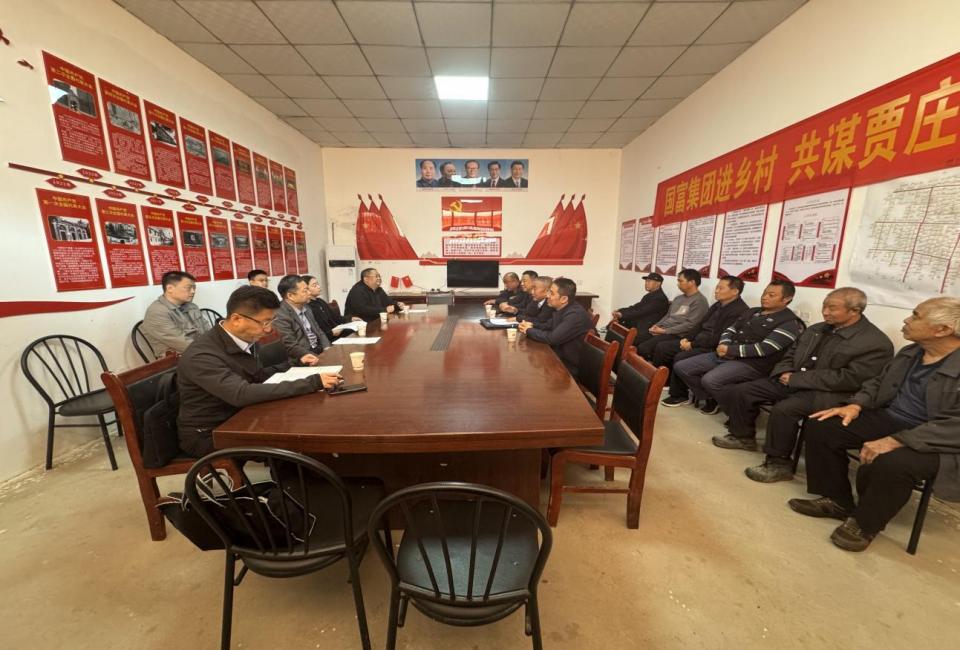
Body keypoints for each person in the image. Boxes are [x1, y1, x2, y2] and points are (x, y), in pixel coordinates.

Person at [788, 297, 960, 552]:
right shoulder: (911, 353)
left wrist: (897, 440)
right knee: (823, 425)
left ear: (942, 330)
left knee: (893, 463)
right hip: (892, 418)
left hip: (938, 439)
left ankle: (864, 524)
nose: (907, 320)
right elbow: (878, 383)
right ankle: (837, 499)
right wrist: (855, 405)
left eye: (915, 315)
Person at [721, 288, 892, 468]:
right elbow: (790, 354)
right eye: (824, 306)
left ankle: (778, 463)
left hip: (828, 392)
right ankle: (742, 437)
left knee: (784, 410)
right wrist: (784, 372)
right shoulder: (816, 329)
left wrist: (797, 379)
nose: (825, 312)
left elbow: (850, 378)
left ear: (854, 311)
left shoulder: (874, 342)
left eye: (832, 308)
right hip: (792, 381)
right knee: (743, 391)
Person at [176, 286, 341, 457]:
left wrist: (295, 364)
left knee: (308, 420)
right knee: (298, 436)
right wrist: (313, 383)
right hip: (211, 433)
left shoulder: (243, 339)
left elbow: (257, 375)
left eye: (271, 321)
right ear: (237, 319)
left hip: (242, 415)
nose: (269, 329)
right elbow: (241, 394)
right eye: (265, 322)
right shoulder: (201, 355)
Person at [673, 279, 803, 416]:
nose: (765, 297)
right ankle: (713, 397)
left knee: (710, 380)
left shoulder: (790, 323)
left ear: (786, 299)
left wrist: (730, 350)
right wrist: (724, 344)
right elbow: (731, 329)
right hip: (727, 354)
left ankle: (735, 411)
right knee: (682, 367)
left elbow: (765, 348)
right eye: (764, 293)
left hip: (753, 364)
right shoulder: (753, 312)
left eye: (771, 295)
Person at [659, 275, 750, 405]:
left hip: (712, 347)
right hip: (699, 340)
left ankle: (684, 395)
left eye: (720, 288)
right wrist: (687, 338)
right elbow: (700, 324)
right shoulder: (718, 304)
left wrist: (692, 344)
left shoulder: (739, 311)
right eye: (716, 287)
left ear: (735, 291)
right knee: (664, 347)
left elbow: (719, 337)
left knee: (681, 357)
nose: (716, 291)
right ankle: (667, 384)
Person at [519, 278, 593, 375]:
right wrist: (531, 325)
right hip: (560, 356)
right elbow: (547, 325)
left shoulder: (574, 315)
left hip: (570, 366)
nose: (547, 296)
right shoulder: (562, 309)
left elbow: (552, 338)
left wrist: (528, 330)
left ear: (564, 299)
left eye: (552, 293)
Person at [633, 269, 709, 358]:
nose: (678, 284)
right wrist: (656, 325)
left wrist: (665, 331)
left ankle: (649, 366)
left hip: (678, 334)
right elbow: (668, 315)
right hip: (664, 329)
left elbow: (690, 325)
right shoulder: (678, 298)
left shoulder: (699, 301)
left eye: (680, 281)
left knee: (644, 348)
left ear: (692, 282)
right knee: (637, 338)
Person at [141, 270, 210, 358]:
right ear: (170, 288)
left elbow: (208, 331)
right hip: (179, 358)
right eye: (188, 288)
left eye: (194, 288)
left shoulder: (192, 306)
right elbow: (183, 344)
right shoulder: (157, 312)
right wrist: (212, 349)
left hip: (200, 351)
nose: (193, 291)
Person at [273, 274, 332, 364]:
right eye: (305, 291)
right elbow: (291, 345)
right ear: (290, 296)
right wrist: (319, 358)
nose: (309, 293)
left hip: (318, 350)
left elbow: (319, 331)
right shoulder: (281, 314)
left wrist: (327, 348)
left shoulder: (306, 307)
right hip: (302, 357)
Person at [302, 274, 356, 341]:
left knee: (356, 331)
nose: (319, 287)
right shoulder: (307, 307)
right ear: (306, 289)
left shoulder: (320, 301)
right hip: (327, 337)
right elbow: (316, 331)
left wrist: (350, 318)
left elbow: (335, 317)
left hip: (336, 332)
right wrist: (331, 333)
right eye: (314, 285)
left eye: (318, 284)